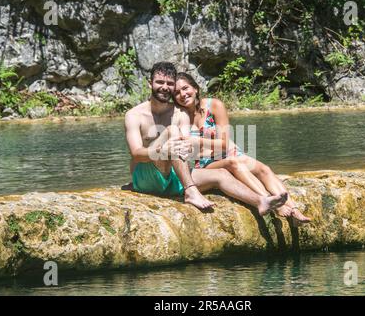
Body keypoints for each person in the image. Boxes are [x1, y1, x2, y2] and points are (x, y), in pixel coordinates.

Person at [124, 61, 287, 215]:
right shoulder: (134, 115)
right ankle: (191, 191)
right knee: (173, 131)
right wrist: (161, 150)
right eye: (160, 82)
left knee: (221, 174)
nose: (165, 87)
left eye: (169, 83)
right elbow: (136, 154)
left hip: (175, 177)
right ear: (149, 83)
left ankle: (260, 201)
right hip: (146, 178)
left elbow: (186, 148)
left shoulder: (180, 114)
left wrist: (188, 148)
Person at [174, 72, 311, 224]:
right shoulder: (179, 115)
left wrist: (195, 140)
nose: (182, 94)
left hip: (228, 151)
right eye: (177, 93)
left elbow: (225, 143)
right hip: (206, 163)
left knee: (263, 169)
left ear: (195, 88)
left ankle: (294, 209)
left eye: (185, 88)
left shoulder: (214, 105)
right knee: (233, 163)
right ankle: (270, 202)